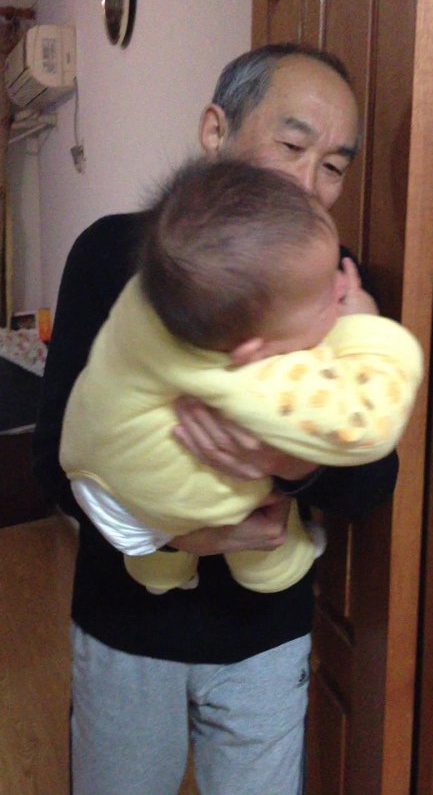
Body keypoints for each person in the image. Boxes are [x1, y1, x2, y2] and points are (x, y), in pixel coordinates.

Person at [33, 44, 400, 795]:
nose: (310, 184)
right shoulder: (114, 252)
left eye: (334, 165)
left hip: (264, 634)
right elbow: (56, 461)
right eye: (292, 146)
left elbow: (372, 481)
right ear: (215, 130)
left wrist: (292, 465)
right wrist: (174, 533)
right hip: (126, 624)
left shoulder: (333, 280)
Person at [59, 157, 422, 597]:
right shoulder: (260, 378)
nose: (343, 285)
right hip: (162, 501)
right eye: (327, 293)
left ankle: (159, 571)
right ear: (254, 351)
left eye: (333, 165)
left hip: (93, 464)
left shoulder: (161, 288)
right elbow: (370, 422)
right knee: (251, 478)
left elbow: (370, 487)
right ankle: (274, 569)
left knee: (173, 470)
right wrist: (364, 326)